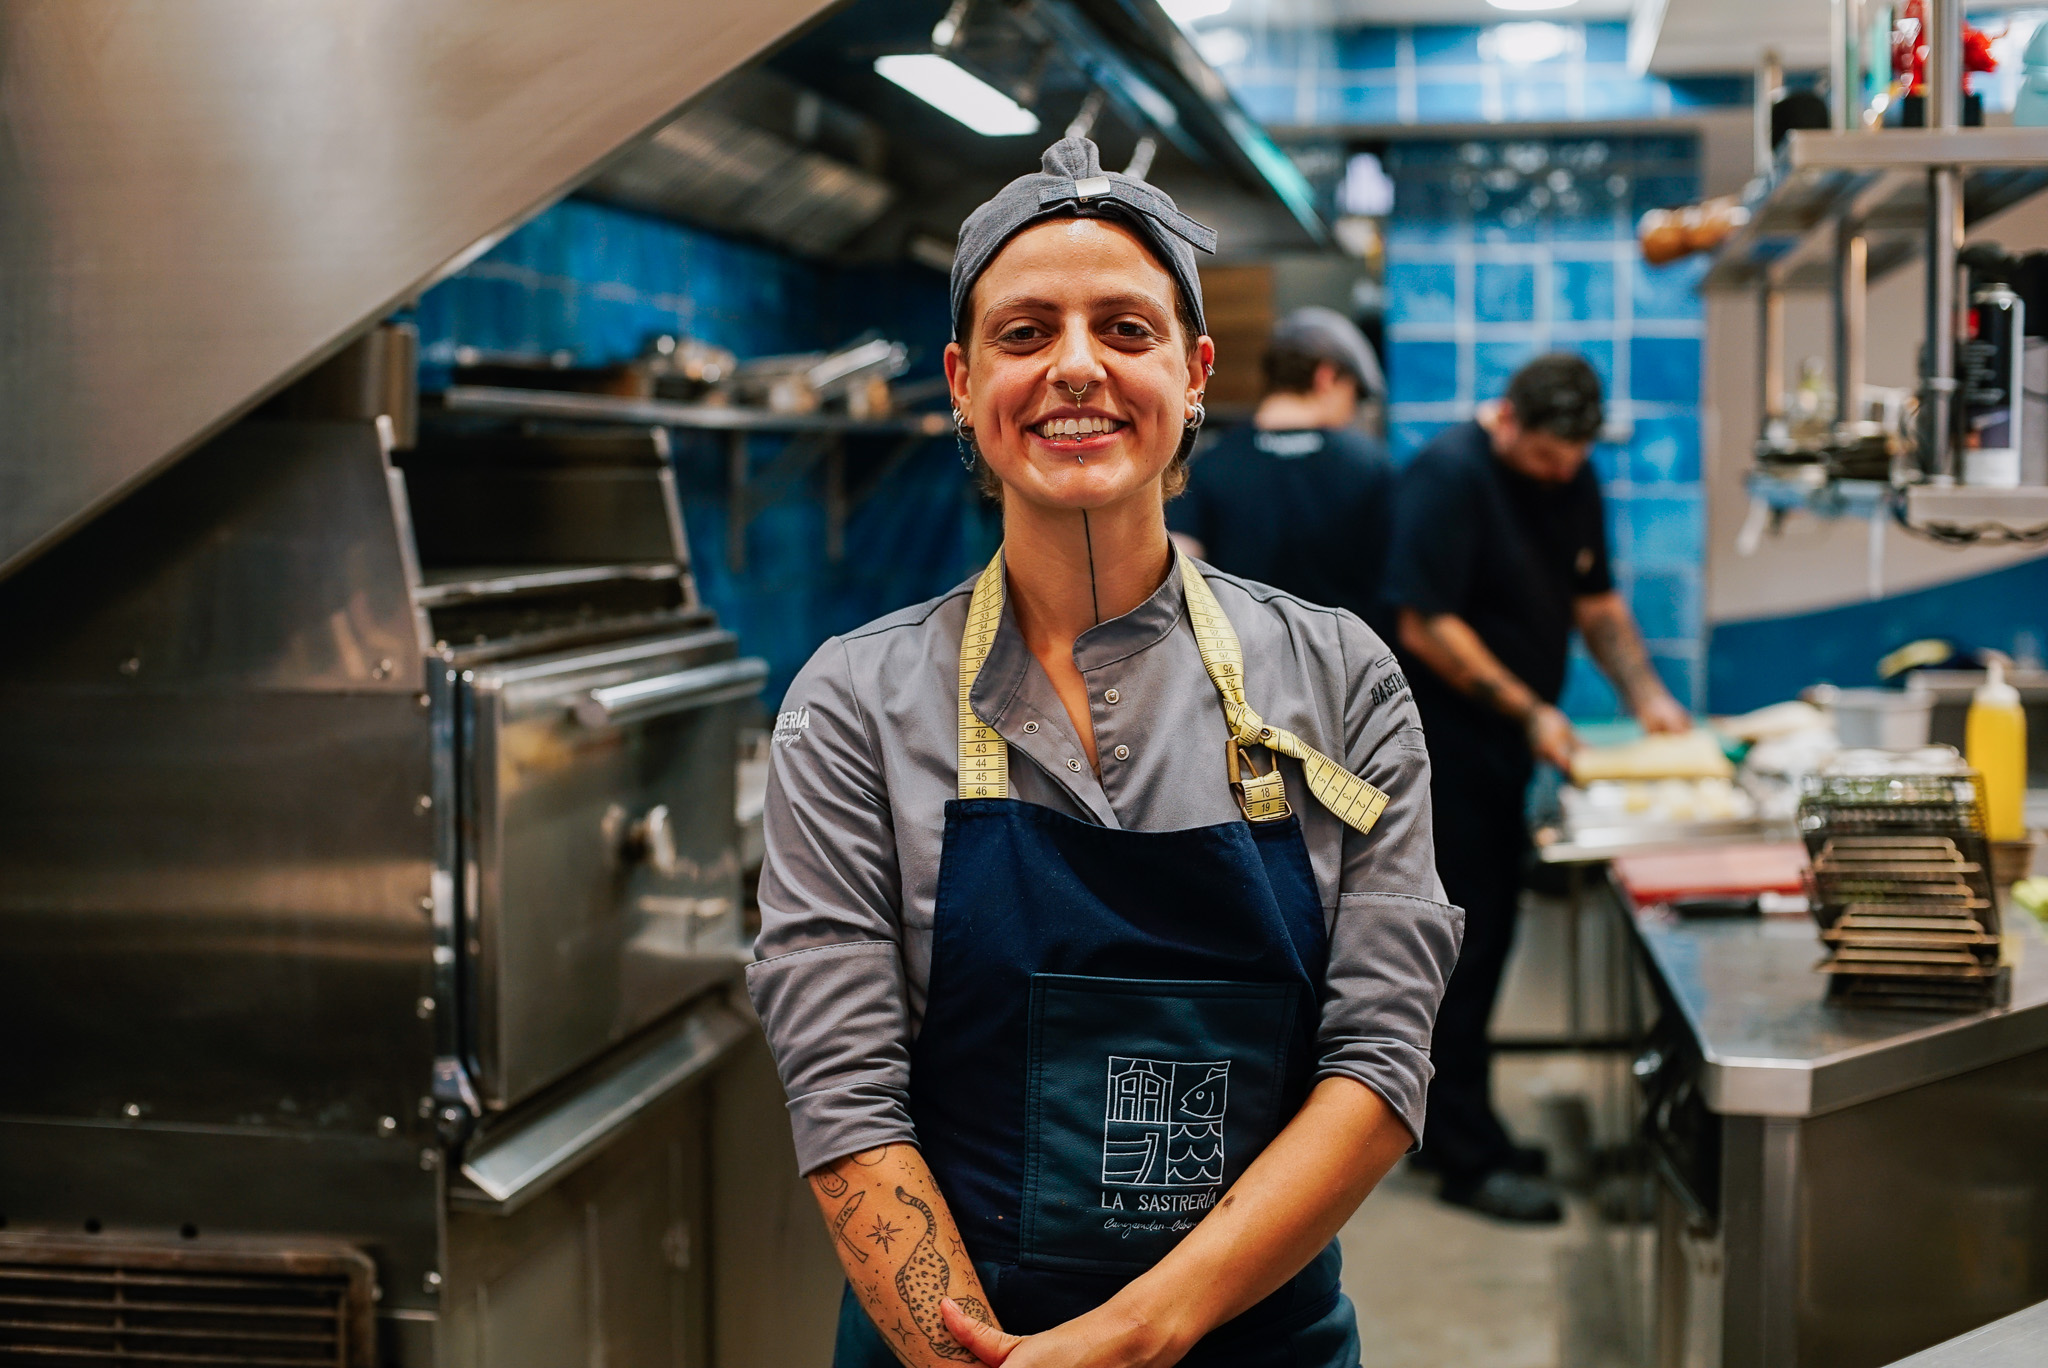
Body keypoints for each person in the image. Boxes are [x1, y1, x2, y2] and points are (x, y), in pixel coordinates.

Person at [747, 136, 1463, 1368]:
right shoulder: (852, 704)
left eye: (1122, 331)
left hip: (1255, 1344)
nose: (1074, 366)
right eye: (1024, 335)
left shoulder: (1342, 680)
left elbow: (1379, 1061)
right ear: (962, 383)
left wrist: (1140, 1333)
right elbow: (845, 1095)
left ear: (1192, 377)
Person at [1383, 353, 1690, 1224]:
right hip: (1441, 750)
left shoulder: (1572, 475)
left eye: (1573, 460)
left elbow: (1595, 600)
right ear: (1508, 419)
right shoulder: (1446, 476)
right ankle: (1461, 1157)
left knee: (1489, 942)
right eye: (1549, 457)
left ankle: (1464, 1125)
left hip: (1506, 752)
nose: (1562, 474)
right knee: (1458, 955)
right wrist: (1530, 713)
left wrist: (1648, 697)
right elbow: (1424, 622)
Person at [1167, 307, 1396, 641]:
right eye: (1355, 395)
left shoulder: (1209, 465)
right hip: (1347, 673)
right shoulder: (1373, 466)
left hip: (1241, 675)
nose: (1352, 411)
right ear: (1326, 377)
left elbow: (1180, 581)